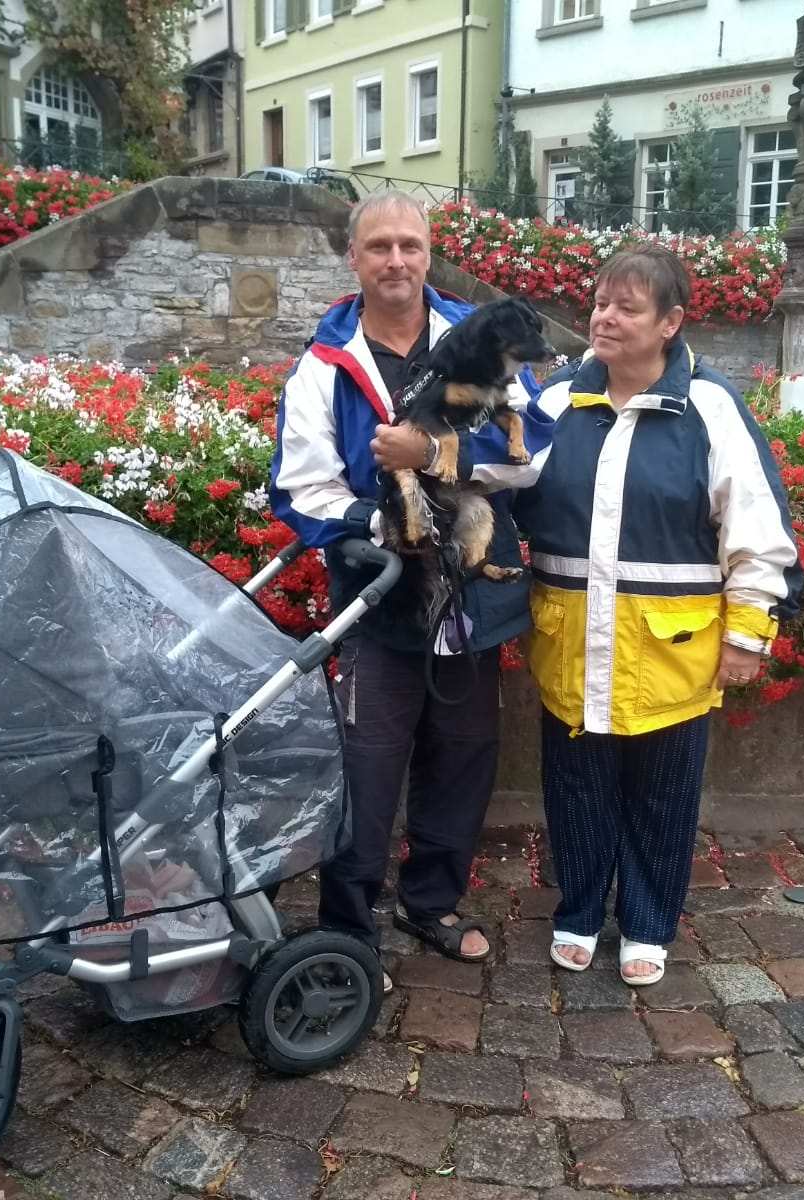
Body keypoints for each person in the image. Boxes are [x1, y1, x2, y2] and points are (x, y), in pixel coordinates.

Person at [268, 190, 551, 990]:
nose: (396, 260)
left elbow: (534, 453)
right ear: (353, 258)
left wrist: (429, 456)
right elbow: (302, 487)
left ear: (428, 254)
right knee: (367, 767)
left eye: (410, 245)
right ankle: (347, 929)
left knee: (463, 757)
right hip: (379, 595)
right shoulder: (324, 364)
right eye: (379, 246)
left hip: (469, 599)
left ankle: (430, 903)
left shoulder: (485, 336)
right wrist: (381, 522)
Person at [513, 243, 803, 986]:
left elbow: (756, 530)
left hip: (673, 653)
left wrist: (747, 634)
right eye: (599, 302)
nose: (604, 318)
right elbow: (498, 484)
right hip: (571, 646)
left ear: (670, 323)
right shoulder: (555, 401)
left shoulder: (710, 407)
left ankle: (647, 924)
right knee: (575, 792)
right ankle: (579, 912)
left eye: (627, 307)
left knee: (663, 799)